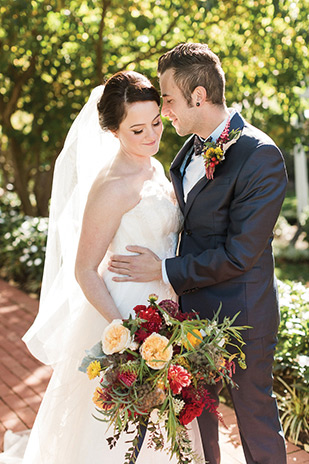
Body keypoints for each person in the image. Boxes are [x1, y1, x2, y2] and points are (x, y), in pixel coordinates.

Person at [0, 71, 203, 463]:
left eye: (157, 123)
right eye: (138, 129)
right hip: (124, 313)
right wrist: (125, 334)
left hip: (164, 306)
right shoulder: (112, 186)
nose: (152, 136)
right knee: (121, 425)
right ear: (114, 131)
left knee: (164, 422)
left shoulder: (155, 166)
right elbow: (84, 269)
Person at [109, 43, 288, 464]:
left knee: (256, 419)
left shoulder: (261, 156)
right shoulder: (187, 151)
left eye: (168, 99)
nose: (163, 110)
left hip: (243, 317)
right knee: (198, 425)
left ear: (199, 97)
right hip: (190, 317)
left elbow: (240, 253)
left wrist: (165, 270)